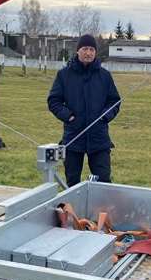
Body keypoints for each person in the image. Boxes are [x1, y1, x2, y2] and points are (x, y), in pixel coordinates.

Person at [48, 34, 121, 186]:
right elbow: (54, 101)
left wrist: (104, 116)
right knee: (72, 183)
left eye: (91, 49)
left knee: (103, 183)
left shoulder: (105, 76)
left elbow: (114, 101)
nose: (88, 53)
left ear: (95, 52)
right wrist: (68, 116)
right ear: (78, 51)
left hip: (99, 139)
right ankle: (74, 209)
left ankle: (101, 210)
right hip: (73, 137)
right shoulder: (64, 75)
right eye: (85, 49)